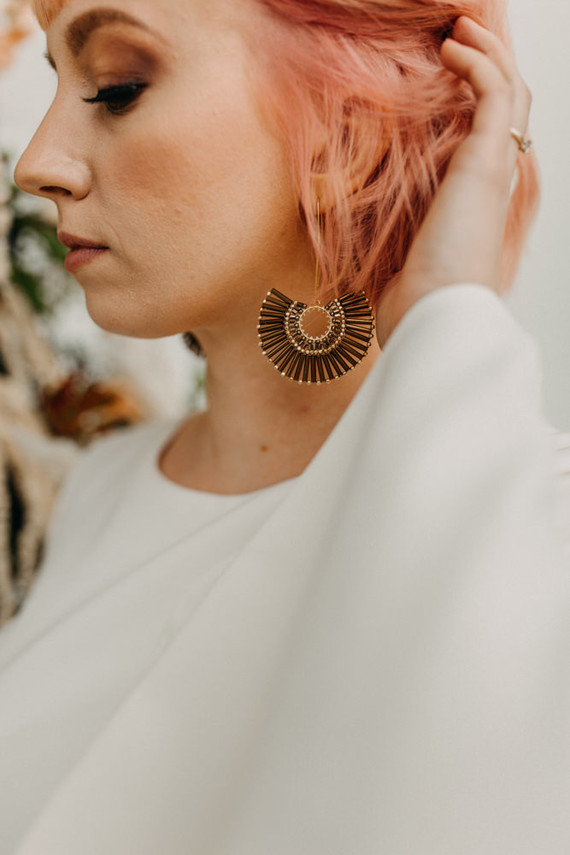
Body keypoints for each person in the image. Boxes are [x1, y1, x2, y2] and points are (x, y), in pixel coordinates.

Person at [1, 0, 569, 852]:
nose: (37, 163)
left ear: (356, 131)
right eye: (55, 81)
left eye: (117, 87)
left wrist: (445, 311)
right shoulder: (91, 494)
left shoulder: (529, 527)